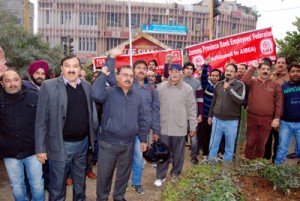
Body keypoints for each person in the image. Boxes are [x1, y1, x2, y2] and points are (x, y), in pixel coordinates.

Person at [91, 47, 149, 201]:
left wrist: (143, 139)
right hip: (109, 143)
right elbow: (95, 94)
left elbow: (142, 119)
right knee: (104, 176)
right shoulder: (109, 92)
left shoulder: (137, 97)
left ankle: (119, 196)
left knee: (123, 175)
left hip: (128, 144)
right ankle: (102, 198)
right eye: (125, 75)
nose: (128, 78)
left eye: (131, 76)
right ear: (117, 77)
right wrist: (105, 69)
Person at [35, 55, 95, 201]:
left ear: (80, 69)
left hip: (82, 145)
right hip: (60, 145)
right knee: (57, 187)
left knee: (80, 186)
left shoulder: (86, 86)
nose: (71, 69)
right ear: (61, 69)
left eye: (75, 66)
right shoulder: (49, 86)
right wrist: (40, 148)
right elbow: (41, 119)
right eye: (67, 66)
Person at [0, 69, 44, 201]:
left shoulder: (34, 96)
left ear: (21, 80)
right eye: (7, 81)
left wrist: (42, 148)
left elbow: (43, 123)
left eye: (15, 80)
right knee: (17, 186)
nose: (12, 84)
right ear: (2, 83)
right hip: (10, 153)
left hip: (33, 151)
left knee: (37, 185)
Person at [154, 63, 197, 187]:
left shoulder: (187, 89)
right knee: (163, 154)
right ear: (169, 73)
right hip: (164, 128)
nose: (174, 73)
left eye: (177, 71)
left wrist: (192, 126)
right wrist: (156, 128)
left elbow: (192, 109)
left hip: (180, 128)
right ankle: (160, 176)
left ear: (181, 73)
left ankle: (176, 174)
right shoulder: (160, 87)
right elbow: (155, 109)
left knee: (178, 154)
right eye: (172, 71)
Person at [242, 62, 283, 160]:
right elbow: (244, 80)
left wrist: (277, 118)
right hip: (252, 117)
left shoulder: (275, 85)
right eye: (263, 69)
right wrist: (253, 67)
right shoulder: (253, 82)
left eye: (268, 69)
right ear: (259, 70)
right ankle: (248, 162)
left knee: (261, 144)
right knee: (250, 142)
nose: (265, 71)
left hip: (267, 119)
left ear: (270, 71)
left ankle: (258, 164)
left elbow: (279, 102)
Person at [208, 63, 245, 161]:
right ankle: (211, 167)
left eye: (231, 71)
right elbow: (214, 101)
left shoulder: (240, 85)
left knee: (229, 147)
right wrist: (210, 115)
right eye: (227, 70)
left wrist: (228, 88)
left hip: (231, 122)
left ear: (236, 73)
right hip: (217, 120)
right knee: (213, 145)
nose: (228, 73)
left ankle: (226, 169)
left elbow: (240, 100)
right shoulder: (219, 84)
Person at [264, 56, 290, 161]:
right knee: (267, 138)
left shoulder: (289, 77)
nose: (280, 64)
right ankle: (265, 159)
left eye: (283, 63)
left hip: (283, 114)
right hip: (269, 113)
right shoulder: (269, 76)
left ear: (286, 65)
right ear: (275, 65)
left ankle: (276, 161)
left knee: (280, 140)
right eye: (278, 62)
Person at [275, 64, 300, 164]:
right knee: (282, 148)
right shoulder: (283, 87)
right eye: (293, 71)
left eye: (298, 71)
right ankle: (278, 170)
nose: (295, 73)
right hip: (285, 123)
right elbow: (279, 104)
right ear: (289, 74)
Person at [200, 57, 221, 163]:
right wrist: (205, 66)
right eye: (213, 75)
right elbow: (203, 78)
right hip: (205, 115)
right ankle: (205, 154)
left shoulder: (222, 86)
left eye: (217, 76)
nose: (215, 77)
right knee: (206, 136)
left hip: (217, 116)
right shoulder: (207, 85)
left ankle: (214, 154)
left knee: (216, 136)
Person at [181, 62, 202, 165]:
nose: (189, 70)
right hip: (180, 113)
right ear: (183, 69)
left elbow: (200, 99)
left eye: (191, 69)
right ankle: (176, 155)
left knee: (193, 137)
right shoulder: (178, 80)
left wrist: (200, 114)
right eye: (187, 68)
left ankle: (194, 157)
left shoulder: (197, 83)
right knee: (179, 137)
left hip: (193, 113)